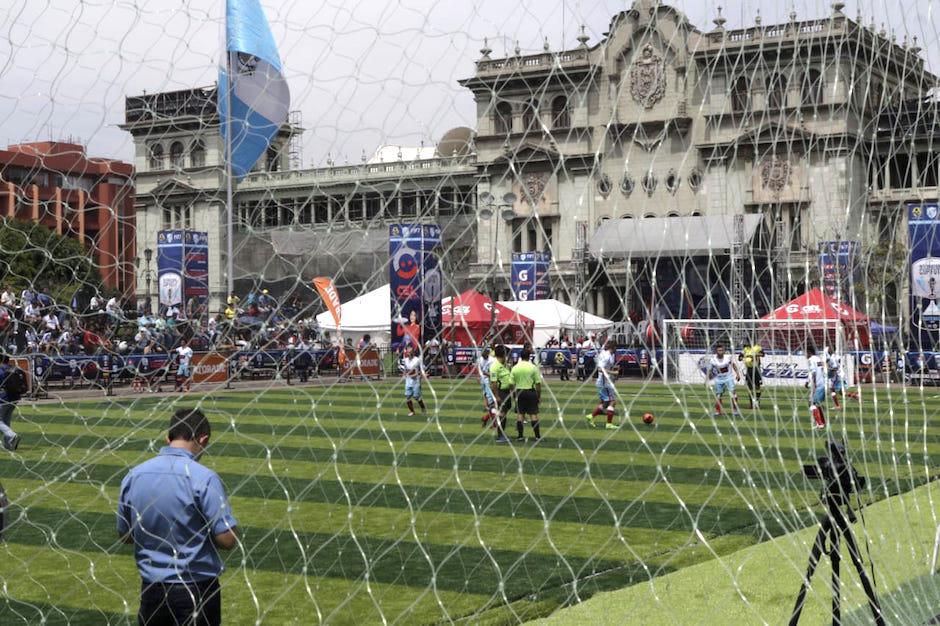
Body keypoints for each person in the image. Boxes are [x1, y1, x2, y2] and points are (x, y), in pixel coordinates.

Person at [117, 408, 238, 626]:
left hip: (152, 590)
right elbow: (227, 539)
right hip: (196, 589)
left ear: (168, 437)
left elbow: (125, 535)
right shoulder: (204, 478)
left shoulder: (135, 475)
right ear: (203, 439)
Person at [510, 345, 542, 442]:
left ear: (521, 356)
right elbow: (538, 384)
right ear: (529, 356)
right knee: (533, 414)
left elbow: (511, 383)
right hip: (530, 391)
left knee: (520, 414)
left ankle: (520, 436)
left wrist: (513, 393)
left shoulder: (515, 368)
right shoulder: (533, 367)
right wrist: (538, 396)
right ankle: (537, 436)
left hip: (520, 391)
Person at [586, 339, 619, 430]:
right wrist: (613, 372)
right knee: (613, 402)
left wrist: (613, 368)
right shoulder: (607, 356)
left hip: (602, 382)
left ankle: (591, 416)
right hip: (604, 382)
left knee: (605, 403)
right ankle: (609, 424)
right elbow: (600, 369)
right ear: (614, 347)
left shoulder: (605, 354)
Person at [0, 355, 26, 451]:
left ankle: (12, 436)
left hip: (3, 399)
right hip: (15, 398)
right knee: (6, 421)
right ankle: (8, 445)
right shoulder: (13, 368)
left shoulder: (1, 370)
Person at [708, 344, 741, 417]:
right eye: (719, 350)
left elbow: (734, 365)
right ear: (716, 351)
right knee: (718, 395)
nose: (721, 352)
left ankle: (735, 410)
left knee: (733, 393)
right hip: (718, 379)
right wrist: (709, 377)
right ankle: (718, 411)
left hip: (728, 377)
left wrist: (738, 374)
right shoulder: (712, 359)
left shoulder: (728, 357)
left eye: (722, 350)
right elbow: (710, 370)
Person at [489, 345, 513, 443]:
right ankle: (500, 436)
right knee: (502, 414)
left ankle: (502, 433)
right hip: (501, 392)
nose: (508, 357)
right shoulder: (495, 366)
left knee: (505, 411)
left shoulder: (505, 364)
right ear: (503, 355)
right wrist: (496, 396)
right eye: (507, 355)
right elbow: (494, 383)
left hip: (507, 392)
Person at [400, 346, 427, 416]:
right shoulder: (405, 360)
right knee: (408, 397)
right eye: (407, 352)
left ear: (413, 352)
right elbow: (405, 370)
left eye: (409, 352)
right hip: (408, 381)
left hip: (416, 381)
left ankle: (423, 408)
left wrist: (420, 375)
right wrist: (404, 375)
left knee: (416, 397)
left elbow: (421, 370)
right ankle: (412, 411)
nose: (408, 353)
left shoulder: (417, 360)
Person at [739, 340, 764, 409]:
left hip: (756, 369)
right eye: (747, 341)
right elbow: (740, 357)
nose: (747, 343)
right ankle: (751, 404)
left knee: (757, 387)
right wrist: (744, 358)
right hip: (749, 370)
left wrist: (754, 355)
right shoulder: (745, 349)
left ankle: (757, 403)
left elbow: (763, 354)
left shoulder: (757, 347)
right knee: (750, 388)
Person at [806, 345, 827, 429]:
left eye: (806, 352)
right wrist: (808, 382)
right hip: (823, 383)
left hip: (817, 385)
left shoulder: (811, 360)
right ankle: (823, 422)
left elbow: (814, 372)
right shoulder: (819, 359)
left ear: (809, 352)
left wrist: (814, 385)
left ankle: (820, 423)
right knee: (817, 404)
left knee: (812, 403)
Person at [477, 347, 498, 428]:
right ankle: (492, 422)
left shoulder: (492, 360)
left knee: (492, 404)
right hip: (485, 382)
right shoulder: (480, 360)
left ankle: (486, 418)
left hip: (490, 381)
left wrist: (486, 374)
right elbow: (479, 369)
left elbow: (493, 372)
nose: (482, 354)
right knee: (492, 403)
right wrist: (478, 377)